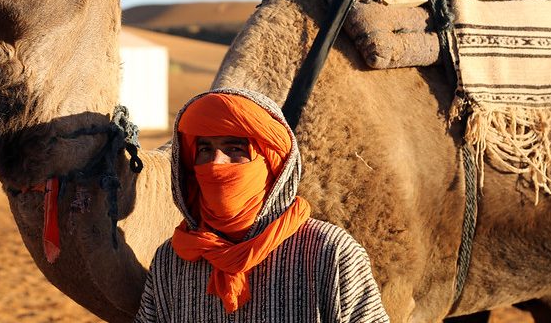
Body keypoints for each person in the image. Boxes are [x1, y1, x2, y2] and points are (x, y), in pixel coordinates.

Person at [135, 88, 389, 322]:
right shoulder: (173, 260)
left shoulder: (330, 253)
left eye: (234, 148)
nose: (216, 163)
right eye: (205, 149)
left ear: (272, 163)